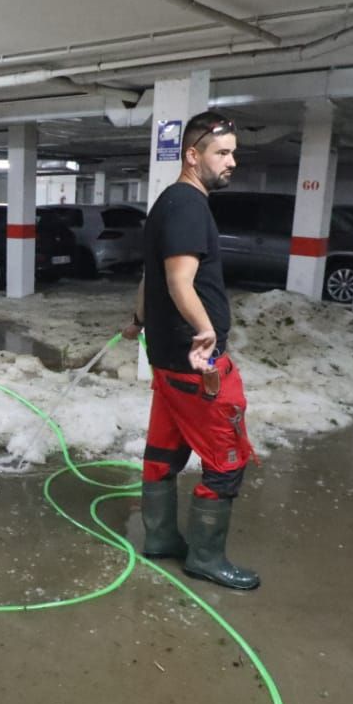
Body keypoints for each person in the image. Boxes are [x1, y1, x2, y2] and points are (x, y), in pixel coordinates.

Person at [122, 111, 258, 591]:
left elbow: (151, 277)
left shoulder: (171, 203)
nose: (231, 162)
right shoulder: (186, 206)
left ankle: (160, 538)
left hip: (169, 360)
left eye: (233, 153)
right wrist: (205, 331)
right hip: (194, 362)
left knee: (164, 450)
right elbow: (179, 281)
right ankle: (205, 557)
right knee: (226, 458)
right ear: (192, 155)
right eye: (222, 153)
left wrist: (138, 318)